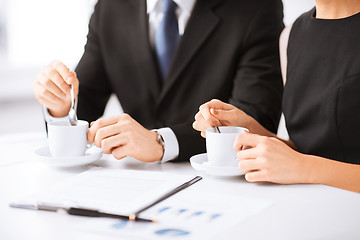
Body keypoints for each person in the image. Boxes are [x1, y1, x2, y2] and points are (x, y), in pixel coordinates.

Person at [33, 0, 284, 163]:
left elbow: (255, 116)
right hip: (133, 180)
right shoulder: (110, 7)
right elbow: (84, 105)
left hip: (217, 180)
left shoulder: (256, 7)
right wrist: (62, 105)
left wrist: (161, 142)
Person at [193, 0, 360, 192]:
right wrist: (247, 128)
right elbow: (308, 150)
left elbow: (304, 163)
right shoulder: (291, 35)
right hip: (307, 204)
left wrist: (304, 167)